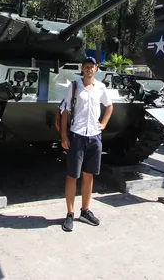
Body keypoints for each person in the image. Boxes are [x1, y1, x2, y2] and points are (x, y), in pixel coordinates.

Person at [59, 56, 113, 232]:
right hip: (77, 134)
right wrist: (64, 135)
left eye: (92, 66)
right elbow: (64, 111)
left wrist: (103, 124)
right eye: (86, 66)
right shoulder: (74, 86)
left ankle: (85, 210)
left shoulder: (101, 87)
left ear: (96, 69)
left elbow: (109, 106)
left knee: (89, 175)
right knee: (72, 175)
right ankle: (69, 213)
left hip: (94, 136)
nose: (89, 69)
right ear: (82, 68)